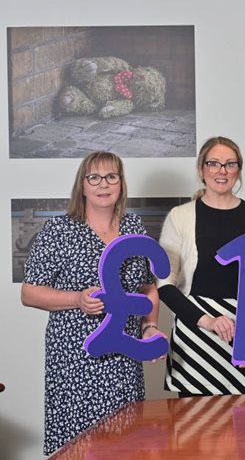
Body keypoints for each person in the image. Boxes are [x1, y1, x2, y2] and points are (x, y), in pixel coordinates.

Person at [21, 151, 163, 455]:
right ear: (82, 186)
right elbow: (29, 292)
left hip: (124, 357)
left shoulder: (134, 227)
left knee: (126, 442)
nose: (103, 184)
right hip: (75, 358)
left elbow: (149, 288)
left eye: (112, 176)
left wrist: (150, 327)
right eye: (94, 177)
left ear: (121, 184)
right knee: (78, 446)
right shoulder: (60, 231)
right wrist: (76, 299)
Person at [157, 136, 245, 396]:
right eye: (213, 163)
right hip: (196, 331)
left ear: (239, 170)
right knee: (193, 429)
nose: (221, 171)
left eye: (230, 164)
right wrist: (208, 321)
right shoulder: (180, 216)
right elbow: (164, 285)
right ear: (201, 169)